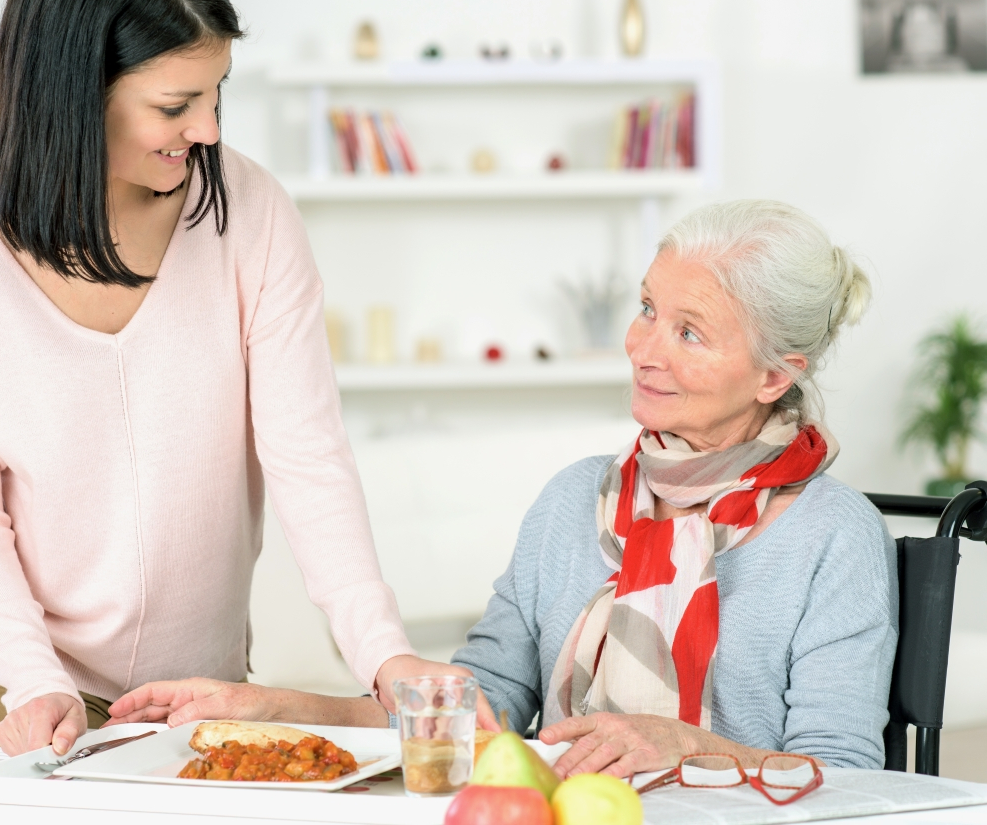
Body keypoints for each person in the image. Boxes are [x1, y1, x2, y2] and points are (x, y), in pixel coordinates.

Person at [0, 0, 473, 762]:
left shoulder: (251, 215)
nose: (206, 130)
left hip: (195, 686)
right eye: (174, 106)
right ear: (76, 90)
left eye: (217, 94)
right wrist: (35, 680)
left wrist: (382, 654)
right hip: (15, 677)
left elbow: (306, 456)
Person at [107, 200, 898, 778]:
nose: (643, 350)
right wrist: (272, 710)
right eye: (648, 310)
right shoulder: (573, 502)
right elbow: (470, 713)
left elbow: (848, 779)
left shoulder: (835, 536)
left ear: (774, 374)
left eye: (688, 332)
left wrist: (687, 743)